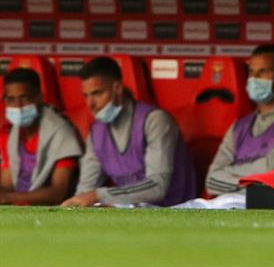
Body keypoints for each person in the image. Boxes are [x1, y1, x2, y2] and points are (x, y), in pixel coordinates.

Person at [62, 57, 195, 207]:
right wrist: (76, 203)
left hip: (174, 212)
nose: (90, 103)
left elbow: (158, 187)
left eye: (97, 93)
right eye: (86, 95)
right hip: (131, 213)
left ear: (117, 88)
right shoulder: (97, 132)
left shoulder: (155, 120)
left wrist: (100, 195)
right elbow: (85, 189)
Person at [205, 44, 274, 196]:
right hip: (227, 206)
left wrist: (229, 175)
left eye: (263, 72)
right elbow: (211, 181)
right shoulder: (239, 126)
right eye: (252, 72)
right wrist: (254, 182)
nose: (254, 78)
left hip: (272, 210)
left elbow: (272, 169)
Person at [0, 68, 82, 205]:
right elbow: (8, 185)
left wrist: (8, 198)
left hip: (51, 213)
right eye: (11, 99)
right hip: (18, 212)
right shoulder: (11, 136)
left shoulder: (60, 132)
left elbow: (58, 192)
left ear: (39, 97)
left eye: (24, 98)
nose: (18, 106)